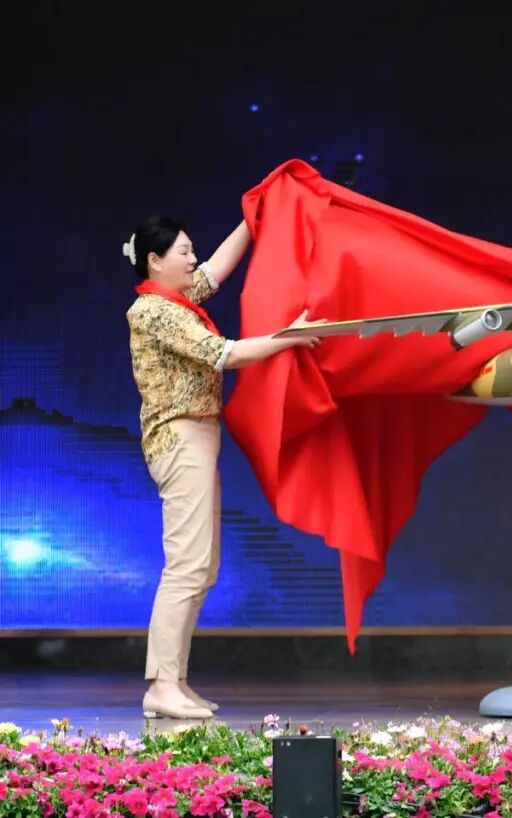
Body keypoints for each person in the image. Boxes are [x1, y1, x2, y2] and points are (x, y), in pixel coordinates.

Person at [124, 216, 320, 720]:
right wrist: (290, 337)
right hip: (180, 438)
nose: (193, 259)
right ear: (155, 261)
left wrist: (256, 216)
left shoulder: (175, 298)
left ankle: (175, 681)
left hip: (197, 438)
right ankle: (161, 684)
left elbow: (214, 271)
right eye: (184, 252)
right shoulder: (153, 311)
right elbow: (222, 354)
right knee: (187, 565)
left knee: (202, 565)